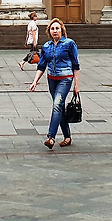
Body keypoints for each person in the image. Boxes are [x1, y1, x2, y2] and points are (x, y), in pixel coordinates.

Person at [28, 18, 80, 149]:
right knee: (59, 107)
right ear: (49, 32)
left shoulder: (69, 44)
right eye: (52, 29)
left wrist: (76, 85)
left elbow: (76, 65)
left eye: (57, 28)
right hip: (52, 79)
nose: (55, 31)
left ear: (62, 30)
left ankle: (51, 137)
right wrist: (35, 81)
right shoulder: (46, 46)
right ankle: (67, 137)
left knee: (57, 105)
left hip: (65, 79)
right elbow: (42, 66)